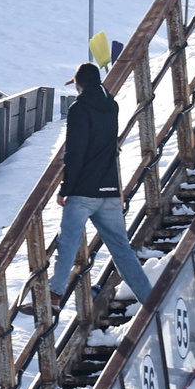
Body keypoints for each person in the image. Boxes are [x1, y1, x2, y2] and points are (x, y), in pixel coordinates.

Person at [47, 61, 156, 310]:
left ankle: (54, 295)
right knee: (121, 249)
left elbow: (76, 151)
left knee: (68, 242)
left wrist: (66, 188)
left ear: (78, 84)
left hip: (83, 191)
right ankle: (150, 300)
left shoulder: (78, 109)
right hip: (108, 189)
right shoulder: (112, 106)